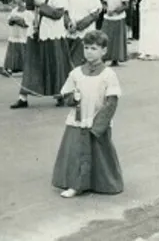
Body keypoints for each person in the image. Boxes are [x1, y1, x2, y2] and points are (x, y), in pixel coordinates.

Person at [52, 30, 124, 198]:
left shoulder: (108, 75)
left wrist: (98, 125)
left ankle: (100, 183)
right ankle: (76, 185)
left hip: (96, 121)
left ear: (103, 51)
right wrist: (72, 98)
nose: (89, 52)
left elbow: (111, 102)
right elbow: (67, 95)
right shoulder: (76, 73)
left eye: (94, 48)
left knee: (99, 154)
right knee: (76, 152)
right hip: (78, 120)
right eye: (86, 48)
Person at [11, 0, 73, 109]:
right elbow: (30, 7)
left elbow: (58, 14)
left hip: (52, 33)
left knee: (54, 64)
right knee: (31, 65)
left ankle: (60, 94)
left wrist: (42, 5)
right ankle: (23, 97)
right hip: (36, 32)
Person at [65, 0, 102, 67]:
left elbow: (94, 14)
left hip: (85, 32)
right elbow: (65, 11)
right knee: (69, 63)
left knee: (82, 63)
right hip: (70, 31)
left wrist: (78, 26)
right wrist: (69, 24)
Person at [100, 0, 129, 66]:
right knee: (105, 36)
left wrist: (116, 11)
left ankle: (115, 59)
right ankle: (103, 57)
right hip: (108, 17)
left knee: (117, 39)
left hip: (118, 17)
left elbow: (126, 5)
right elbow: (103, 1)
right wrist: (106, 8)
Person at [3, 0, 32, 76]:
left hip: (22, 35)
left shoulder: (27, 12)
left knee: (22, 51)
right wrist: (13, 20)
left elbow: (26, 24)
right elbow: (9, 20)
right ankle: (10, 69)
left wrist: (17, 20)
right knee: (12, 52)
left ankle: (25, 69)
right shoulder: (14, 10)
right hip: (14, 34)